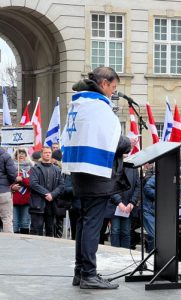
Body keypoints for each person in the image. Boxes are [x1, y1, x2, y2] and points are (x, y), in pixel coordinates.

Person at [61, 66, 131, 289]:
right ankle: (89, 274)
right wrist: (129, 142)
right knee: (92, 224)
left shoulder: (80, 103)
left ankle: (80, 272)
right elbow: (113, 141)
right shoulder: (98, 107)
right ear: (103, 84)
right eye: (113, 87)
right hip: (97, 175)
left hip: (82, 173)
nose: (113, 92)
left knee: (83, 221)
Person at [29, 146, 64, 236]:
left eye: (49, 152)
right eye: (45, 152)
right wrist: (46, 194)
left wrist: (52, 195)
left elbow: (61, 185)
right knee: (36, 232)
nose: (48, 154)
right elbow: (33, 184)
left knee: (50, 232)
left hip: (51, 205)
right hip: (38, 205)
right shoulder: (35, 168)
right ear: (41, 154)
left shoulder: (57, 170)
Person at [108, 163, 139, 249]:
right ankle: (114, 255)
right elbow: (110, 186)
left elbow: (137, 186)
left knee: (126, 232)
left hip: (128, 206)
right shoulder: (114, 165)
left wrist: (132, 202)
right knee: (115, 230)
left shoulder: (134, 167)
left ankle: (125, 255)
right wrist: (119, 202)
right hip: (115, 205)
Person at [11, 148, 33, 234]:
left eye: (23, 153)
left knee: (25, 223)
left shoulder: (31, 168)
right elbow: (6, 181)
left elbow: (32, 183)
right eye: (18, 153)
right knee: (14, 223)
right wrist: (12, 187)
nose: (21, 155)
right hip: (13, 200)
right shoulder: (11, 167)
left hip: (26, 200)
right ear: (15, 155)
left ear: (26, 155)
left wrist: (22, 179)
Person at [0, 146, 17, 233]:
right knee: (7, 219)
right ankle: (9, 243)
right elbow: (13, 174)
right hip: (4, 192)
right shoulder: (6, 156)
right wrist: (10, 183)